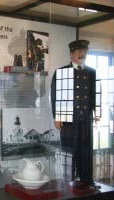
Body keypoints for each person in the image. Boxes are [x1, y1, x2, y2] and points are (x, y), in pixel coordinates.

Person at [51, 40, 96, 185]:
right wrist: (57, 117)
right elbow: (55, 96)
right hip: (68, 120)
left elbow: (95, 95)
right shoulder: (62, 72)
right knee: (69, 152)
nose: (82, 54)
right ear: (71, 54)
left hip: (86, 119)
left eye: (84, 51)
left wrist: (97, 113)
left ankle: (87, 181)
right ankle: (66, 183)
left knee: (86, 152)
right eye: (79, 51)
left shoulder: (91, 72)